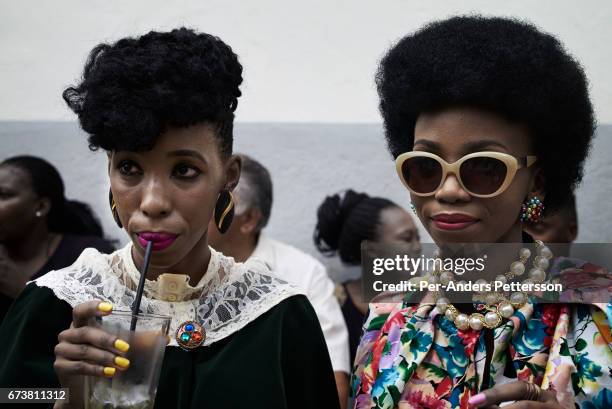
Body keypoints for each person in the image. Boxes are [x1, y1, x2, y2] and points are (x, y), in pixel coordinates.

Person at [0, 28, 339, 409]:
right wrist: (68, 397)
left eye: (184, 170)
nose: (153, 202)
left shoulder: (276, 317)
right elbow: (14, 396)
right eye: (129, 167)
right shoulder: (55, 304)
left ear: (228, 177)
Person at [350, 16, 611, 409]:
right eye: (425, 166)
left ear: (536, 181)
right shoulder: (387, 314)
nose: (448, 190)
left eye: (484, 167)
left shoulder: (598, 309)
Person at [207, 153, 352, 409]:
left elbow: (332, 388)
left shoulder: (302, 274)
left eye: (211, 205)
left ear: (249, 220)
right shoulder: (166, 265)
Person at [0, 155, 114, 323]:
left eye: (4, 195)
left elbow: (104, 327)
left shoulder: (88, 256)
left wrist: (25, 292)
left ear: (41, 206)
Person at [313, 190, 420, 367]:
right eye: (407, 239)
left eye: (418, 237)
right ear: (371, 249)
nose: (418, 247)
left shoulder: (429, 301)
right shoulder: (334, 305)